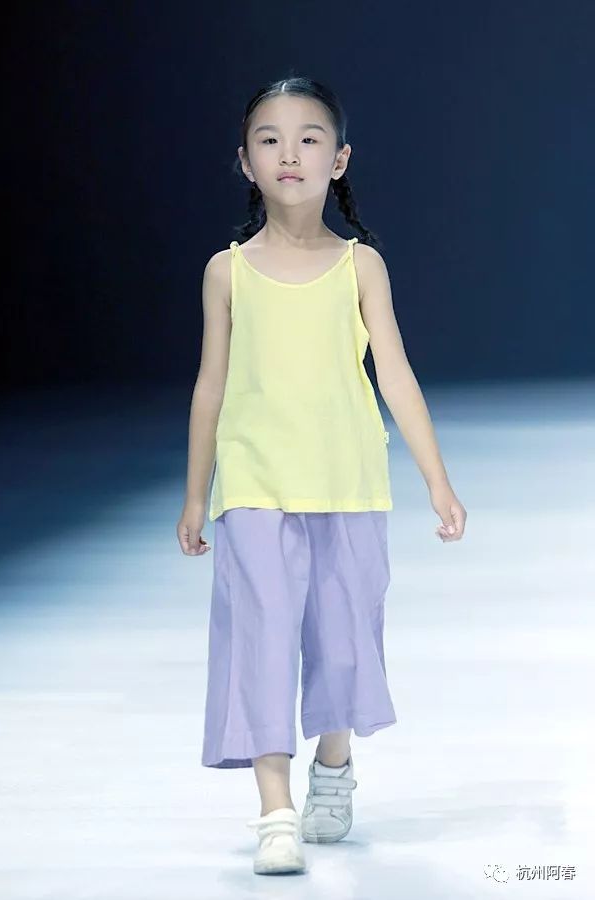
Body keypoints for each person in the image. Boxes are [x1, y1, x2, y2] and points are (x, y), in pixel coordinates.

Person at [176, 73, 467, 876]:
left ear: (339, 160)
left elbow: (394, 375)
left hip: (347, 481)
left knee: (342, 642)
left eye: (309, 139)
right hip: (254, 482)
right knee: (262, 639)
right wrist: (197, 493)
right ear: (245, 161)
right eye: (269, 139)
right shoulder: (227, 271)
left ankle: (332, 767)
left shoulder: (359, 267)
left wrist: (437, 480)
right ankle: (275, 810)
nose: (289, 153)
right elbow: (210, 386)